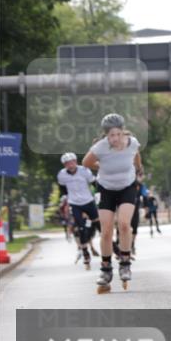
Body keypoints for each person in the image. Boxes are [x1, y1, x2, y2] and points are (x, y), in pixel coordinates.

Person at [82, 113, 142, 293]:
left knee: (124, 225)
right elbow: (86, 163)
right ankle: (106, 270)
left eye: (117, 134)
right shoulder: (100, 147)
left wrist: (138, 169)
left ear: (123, 132)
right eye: (110, 135)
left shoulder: (132, 143)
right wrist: (101, 167)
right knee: (106, 231)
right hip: (105, 188)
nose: (114, 139)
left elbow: (137, 158)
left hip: (127, 186)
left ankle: (125, 263)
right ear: (106, 135)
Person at [56, 153, 100, 269]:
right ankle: (85, 253)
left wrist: (98, 195)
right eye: (67, 163)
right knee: (81, 228)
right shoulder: (62, 175)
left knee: (98, 224)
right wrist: (65, 198)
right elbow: (62, 188)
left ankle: (115, 248)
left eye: (72, 162)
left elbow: (94, 183)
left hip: (89, 201)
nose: (70, 165)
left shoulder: (84, 170)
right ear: (64, 165)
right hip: (75, 204)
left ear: (76, 161)